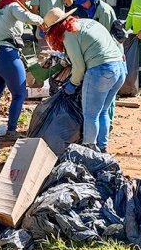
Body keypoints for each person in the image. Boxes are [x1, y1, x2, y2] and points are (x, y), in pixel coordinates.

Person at [45, 9, 127, 153]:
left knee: (91, 114)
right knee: (103, 111)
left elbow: (79, 67)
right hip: (120, 69)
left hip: (101, 71)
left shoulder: (68, 34)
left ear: (55, 29)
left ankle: (88, 151)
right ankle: (102, 148)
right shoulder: (88, 23)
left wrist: (72, 84)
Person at [0, 0, 44, 139]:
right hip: (7, 53)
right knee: (19, 93)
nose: (27, 1)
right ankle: (11, 130)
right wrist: (41, 20)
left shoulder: (0, 11)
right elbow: (27, 17)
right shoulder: (13, 6)